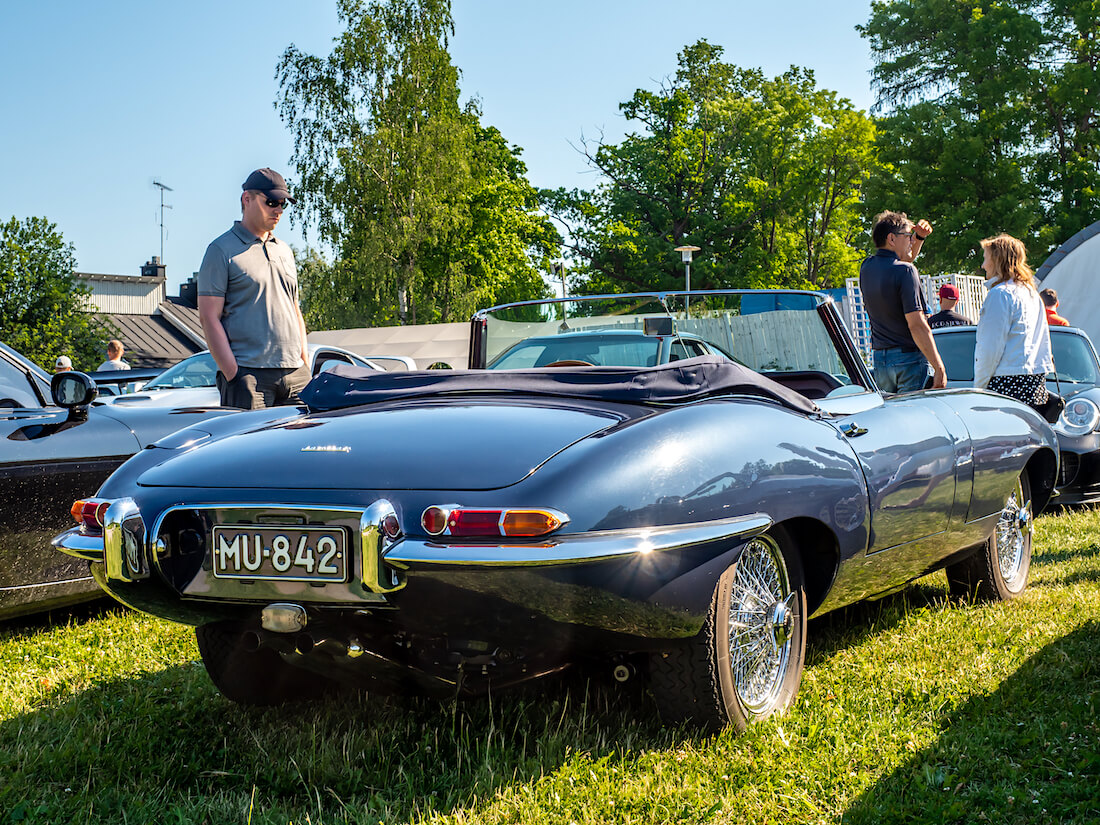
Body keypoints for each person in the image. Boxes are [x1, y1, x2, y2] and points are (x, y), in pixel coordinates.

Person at [197, 168, 309, 409]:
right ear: (246, 199)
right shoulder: (220, 250)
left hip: (296, 376)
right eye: (271, 202)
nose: (278, 210)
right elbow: (208, 317)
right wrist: (234, 374)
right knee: (251, 447)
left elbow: (294, 309)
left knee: (299, 448)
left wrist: (304, 362)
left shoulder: (285, 251)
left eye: (282, 204)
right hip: (249, 378)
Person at [859, 211, 947, 392]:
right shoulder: (906, 271)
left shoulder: (866, 267)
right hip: (908, 360)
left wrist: (919, 237)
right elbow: (917, 325)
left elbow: (901, 260)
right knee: (912, 418)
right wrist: (938, 366)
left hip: (880, 361)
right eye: (908, 236)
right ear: (891, 239)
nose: (911, 241)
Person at [974, 234, 1053, 406]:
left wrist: (979, 388)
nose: (983, 265)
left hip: (1006, 383)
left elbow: (990, 347)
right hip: (1033, 382)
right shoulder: (1031, 293)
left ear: (996, 260)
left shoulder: (1000, 294)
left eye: (986, 258)